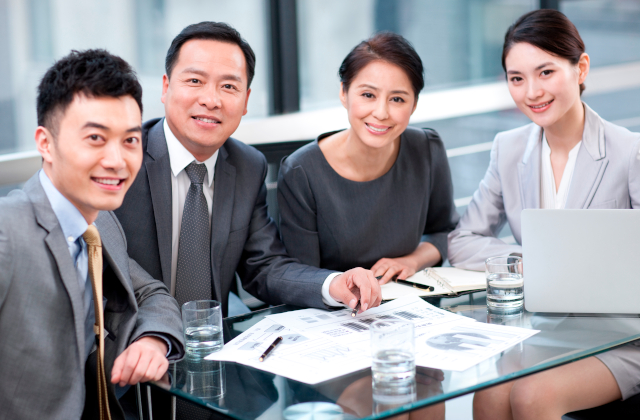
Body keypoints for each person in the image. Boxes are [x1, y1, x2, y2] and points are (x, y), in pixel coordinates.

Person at [114, 21, 382, 319]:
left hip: (212, 343)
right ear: (165, 88)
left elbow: (264, 267)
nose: (211, 100)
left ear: (245, 102)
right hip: (131, 345)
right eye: (194, 81)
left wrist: (334, 284)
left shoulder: (247, 166)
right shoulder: (122, 159)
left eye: (228, 86)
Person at [446, 10, 640, 419]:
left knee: (532, 397)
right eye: (517, 78)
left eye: (546, 72)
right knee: (490, 394)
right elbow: (462, 242)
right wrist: (533, 260)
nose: (531, 91)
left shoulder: (629, 152)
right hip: (544, 328)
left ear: (580, 67)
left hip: (623, 335)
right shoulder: (509, 147)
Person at [0, 50, 184, 420]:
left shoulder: (99, 223)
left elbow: (150, 292)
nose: (117, 160)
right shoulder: (8, 233)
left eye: (130, 140)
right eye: (96, 138)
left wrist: (152, 340)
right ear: (45, 143)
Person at [277, 32, 458, 286]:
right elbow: (300, 275)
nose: (381, 113)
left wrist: (412, 260)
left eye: (397, 99)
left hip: (410, 304)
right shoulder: (302, 171)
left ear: (414, 104)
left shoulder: (426, 148)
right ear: (344, 92)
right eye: (368, 95)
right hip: (337, 314)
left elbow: (446, 232)